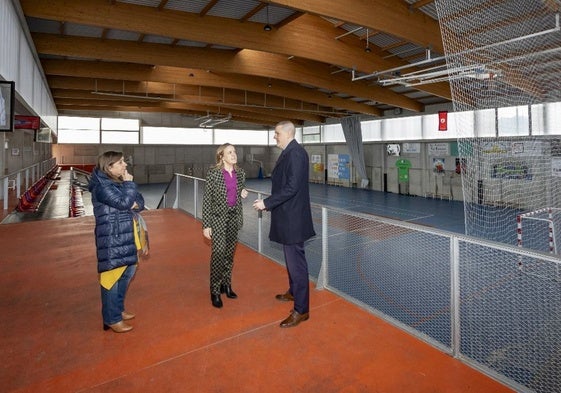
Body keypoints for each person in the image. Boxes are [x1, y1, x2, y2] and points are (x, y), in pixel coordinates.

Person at [253, 121, 315, 328]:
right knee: (291, 261)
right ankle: (293, 291)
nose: (274, 137)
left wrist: (266, 203)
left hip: (293, 219)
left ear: (288, 133)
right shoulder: (289, 152)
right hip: (288, 216)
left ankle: (302, 310)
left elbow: (291, 188)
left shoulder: (296, 153)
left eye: (277, 133)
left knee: (296, 263)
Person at [89, 151, 145, 333]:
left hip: (125, 235)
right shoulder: (102, 187)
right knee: (111, 280)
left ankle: (118, 310)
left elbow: (139, 202)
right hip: (113, 238)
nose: (125, 165)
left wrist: (130, 195)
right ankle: (111, 319)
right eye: (121, 163)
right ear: (109, 166)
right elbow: (124, 203)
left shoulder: (117, 183)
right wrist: (129, 186)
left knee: (126, 275)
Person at [202, 143, 248, 308]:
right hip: (218, 219)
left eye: (234, 151)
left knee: (229, 254)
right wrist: (206, 224)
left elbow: (239, 189)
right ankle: (214, 290)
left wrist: (242, 191)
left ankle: (226, 285)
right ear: (222, 156)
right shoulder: (214, 174)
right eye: (230, 152)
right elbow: (207, 199)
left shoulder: (240, 173)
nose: (234, 154)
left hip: (234, 218)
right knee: (218, 253)